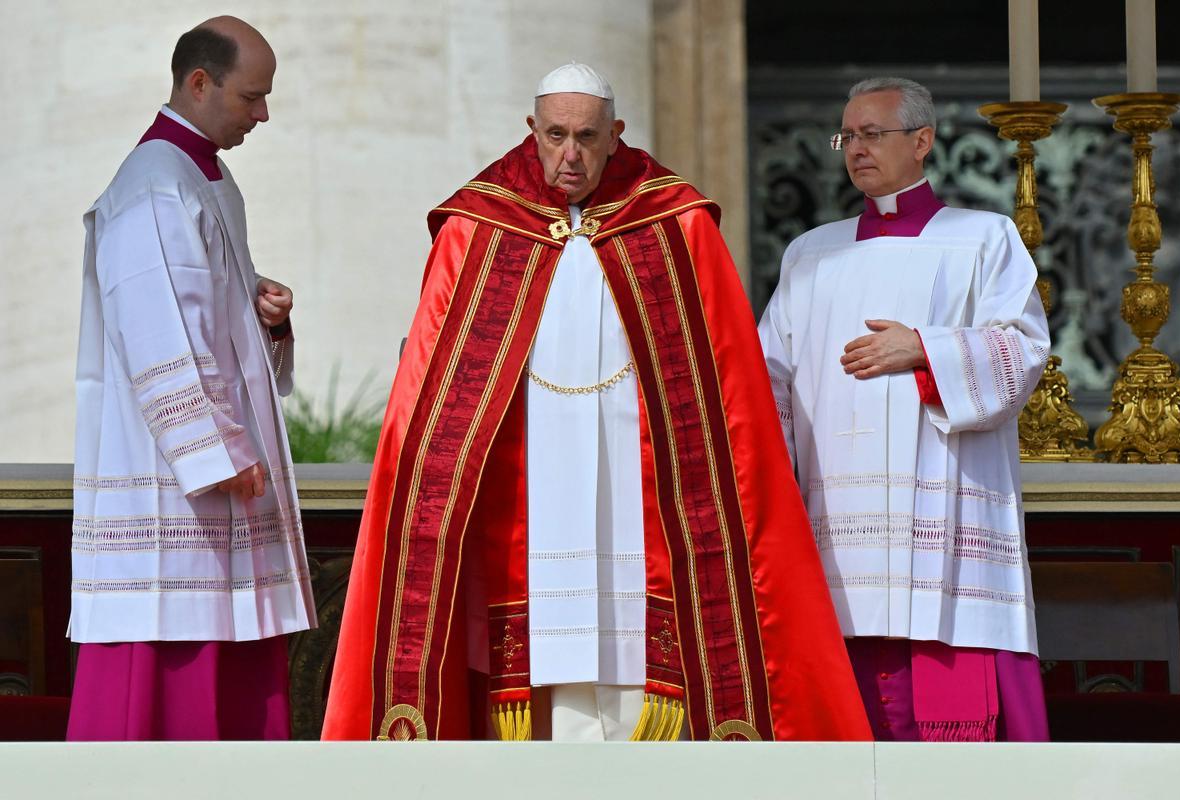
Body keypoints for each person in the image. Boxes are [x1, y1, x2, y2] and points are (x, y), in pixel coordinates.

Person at [322, 63, 870, 742]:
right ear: (532, 130)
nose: (570, 154)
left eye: (586, 136)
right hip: (528, 482)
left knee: (631, 653)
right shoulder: (481, 225)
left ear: (615, 133)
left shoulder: (674, 221)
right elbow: (437, 396)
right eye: (555, 135)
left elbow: (724, 380)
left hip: (637, 488)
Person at [759, 76, 1052, 742]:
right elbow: (766, 375)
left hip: (944, 513)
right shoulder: (810, 254)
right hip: (838, 518)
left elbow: (1025, 348)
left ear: (921, 142)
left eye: (872, 134)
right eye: (847, 136)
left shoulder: (983, 238)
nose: (855, 148)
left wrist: (923, 351)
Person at [68, 16, 316, 741]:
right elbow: (157, 336)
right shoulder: (153, 186)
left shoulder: (200, 175)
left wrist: (261, 315)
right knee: (169, 673)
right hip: (183, 487)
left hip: (213, 488)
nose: (262, 114)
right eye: (252, 97)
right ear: (199, 83)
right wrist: (216, 450)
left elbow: (198, 314)